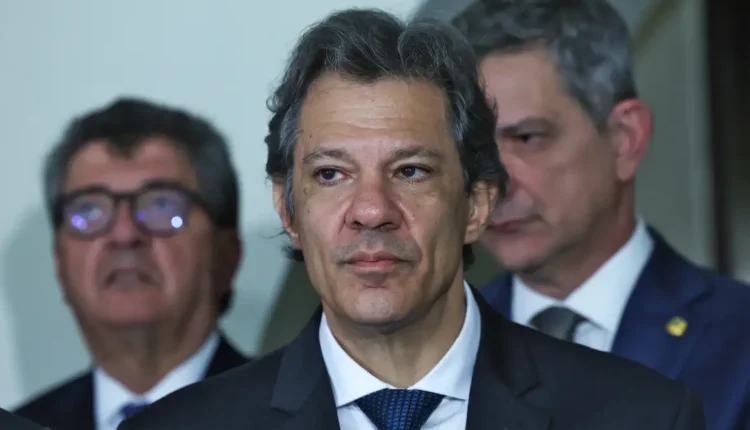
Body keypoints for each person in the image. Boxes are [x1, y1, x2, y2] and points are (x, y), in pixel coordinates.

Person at [119, 8, 704, 430]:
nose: (372, 210)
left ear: (477, 204)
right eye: (331, 174)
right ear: (287, 208)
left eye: (411, 171)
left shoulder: (644, 416)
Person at [451, 0, 750, 429]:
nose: (494, 181)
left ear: (624, 139)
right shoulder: (442, 340)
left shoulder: (738, 340)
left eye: (528, 138)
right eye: (475, 150)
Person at [13, 98, 251, 430]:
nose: (124, 234)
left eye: (161, 205)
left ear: (227, 254)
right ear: (59, 263)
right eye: (90, 210)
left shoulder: (307, 416)